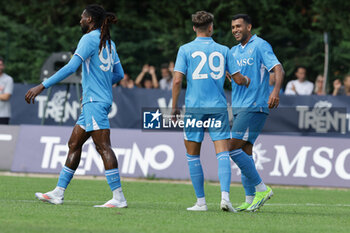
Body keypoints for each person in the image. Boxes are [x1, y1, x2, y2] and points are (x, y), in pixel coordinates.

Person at [25, 4, 127, 208]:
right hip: (96, 101)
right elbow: (119, 74)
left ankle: (118, 197)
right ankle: (58, 192)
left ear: (90, 20)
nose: (80, 20)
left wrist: (42, 86)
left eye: (82, 17)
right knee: (74, 144)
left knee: (103, 146)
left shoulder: (88, 39)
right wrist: (99, 84)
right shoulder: (108, 42)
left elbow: (72, 67)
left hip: (94, 102)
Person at [172, 11, 250, 212]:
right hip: (217, 107)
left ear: (193, 28)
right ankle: (225, 198)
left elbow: (177, 80)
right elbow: (238, 78)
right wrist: (248, 80)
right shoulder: (224, 50)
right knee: (222, 152)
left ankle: (201, 202)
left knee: (192, 155)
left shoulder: (185, 49)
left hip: (194, 108)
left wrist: (174, 107)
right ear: (211, 27)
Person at [228, 14, 284, 212]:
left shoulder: (260, 45)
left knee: (231, 148)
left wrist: (275, 91)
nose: (235, 30)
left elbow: (278, 68)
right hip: (239, 106)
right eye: (233, 27)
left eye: (239, 26)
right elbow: (235, 77)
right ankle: (250, 198)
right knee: (245, 152)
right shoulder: (233, 51)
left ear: (249, 27)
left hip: (254, 106)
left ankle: (262, 188)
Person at [0, 57, 14, 125]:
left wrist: (3, 96)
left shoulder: (8, 79)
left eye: (1, 65)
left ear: (3, 66)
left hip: (3, 115)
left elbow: (6, 96)